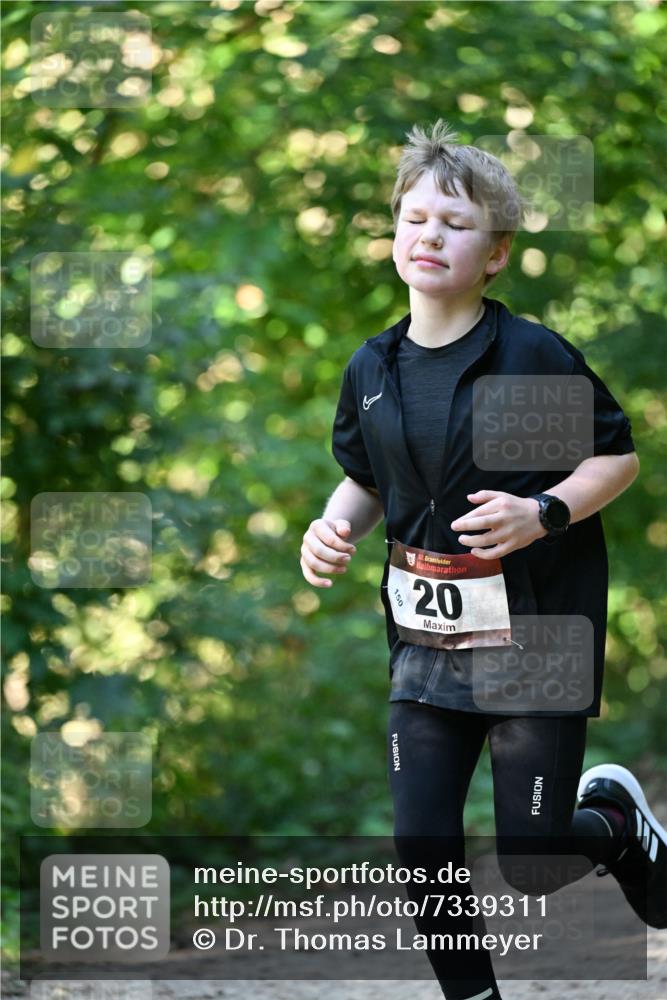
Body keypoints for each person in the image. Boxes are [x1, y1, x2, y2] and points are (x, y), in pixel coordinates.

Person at [300, 119, 666, 1000]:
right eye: (414, 218)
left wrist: (542, 511)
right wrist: (329, 523)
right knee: (420, 843)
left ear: (495, 254)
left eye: (454, 224)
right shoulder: (373, 368)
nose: (428, 235)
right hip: (424, 644)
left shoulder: (525, 358)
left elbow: (613, 461)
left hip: (533, 637)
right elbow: (366, 477)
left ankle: (613, 823)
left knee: (532, 862)